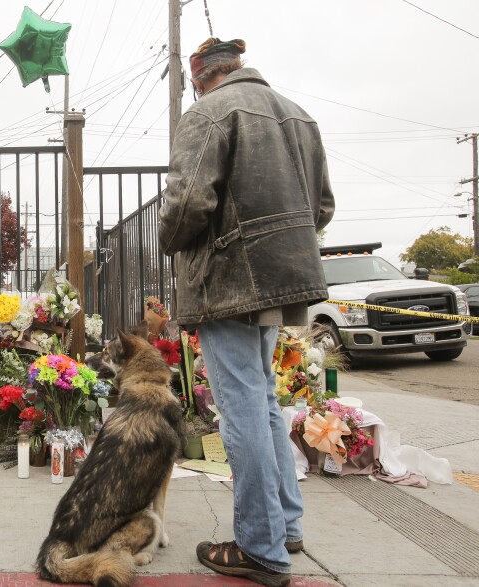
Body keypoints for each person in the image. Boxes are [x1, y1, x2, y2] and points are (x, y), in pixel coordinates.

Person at [158, 38, 335, 587]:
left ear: (199, 77)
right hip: (284, 279)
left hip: (229, 280)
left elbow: (186, 204)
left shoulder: (209, 112)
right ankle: (285, 527)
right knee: (261, 400)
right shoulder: (300, 115)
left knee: (241, 410)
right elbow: (322, 206)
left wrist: (170, 242)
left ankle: (260, 547)